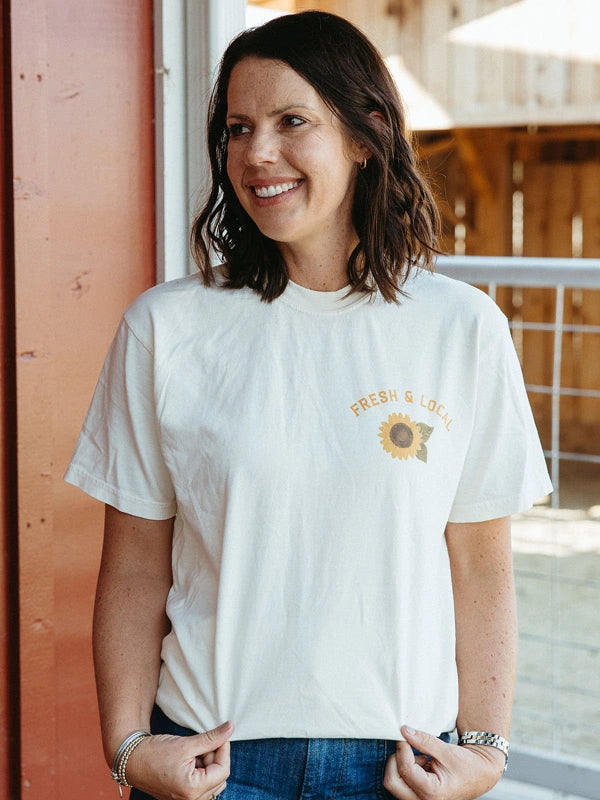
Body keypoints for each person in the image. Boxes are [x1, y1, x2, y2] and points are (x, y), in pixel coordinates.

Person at [65, 11, 552, 800]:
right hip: (212, 767)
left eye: (293, 121)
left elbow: (482, 565)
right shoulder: (167, 327)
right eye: (237, 127)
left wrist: (487, 750)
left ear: (366, 137)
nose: (257, 154)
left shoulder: (462, 329)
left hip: (401, 769)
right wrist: (127, 748)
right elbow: (133, 567)